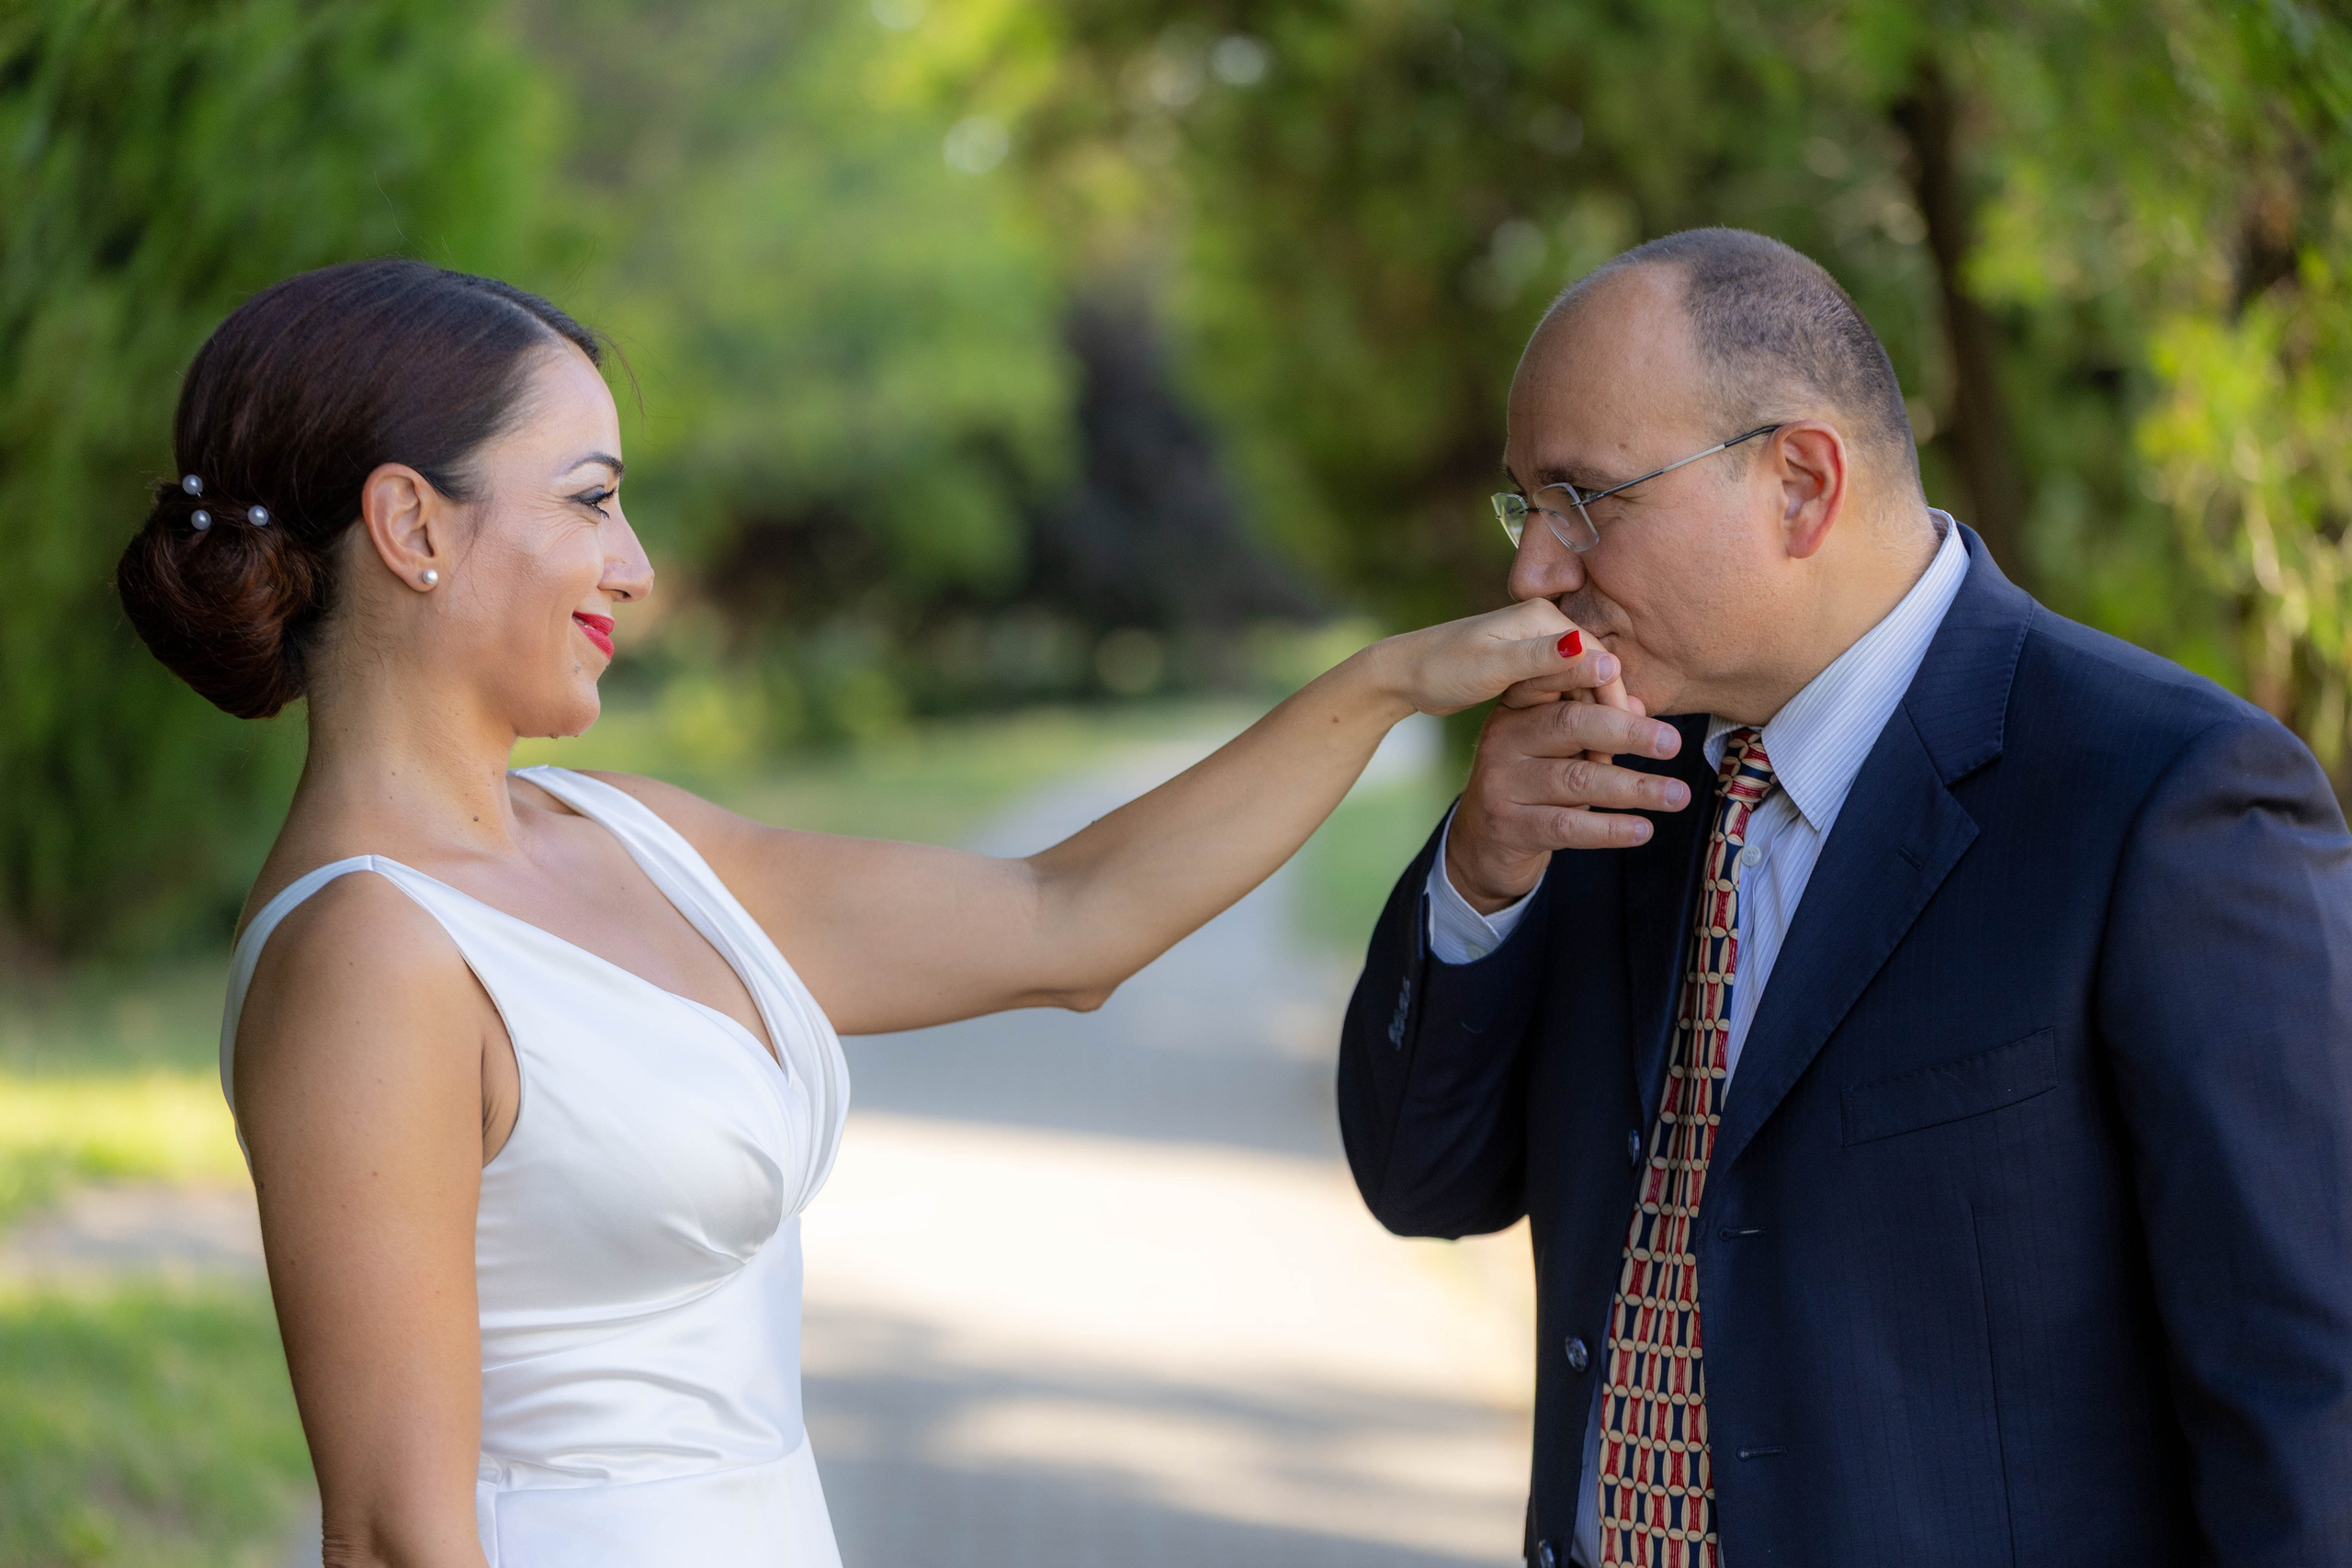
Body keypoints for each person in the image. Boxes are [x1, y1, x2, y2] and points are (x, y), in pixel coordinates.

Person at [113, 257, 1585, 1568]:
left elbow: (1067, 919)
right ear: (409, 525)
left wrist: (1395, 682)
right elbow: (391, 1537)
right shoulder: (371, 952)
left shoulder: (639, 837)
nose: (634, 563)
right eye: (591, 498)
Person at [1336, 228, 2352, 1566]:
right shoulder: (1602, 784)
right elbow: (1426, 1186)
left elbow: (2303, 1396)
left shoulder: (2168, 800)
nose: (1536, 570)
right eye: (1526, 508)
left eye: (1584, 499)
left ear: (1801, 484)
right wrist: (1480, 877)